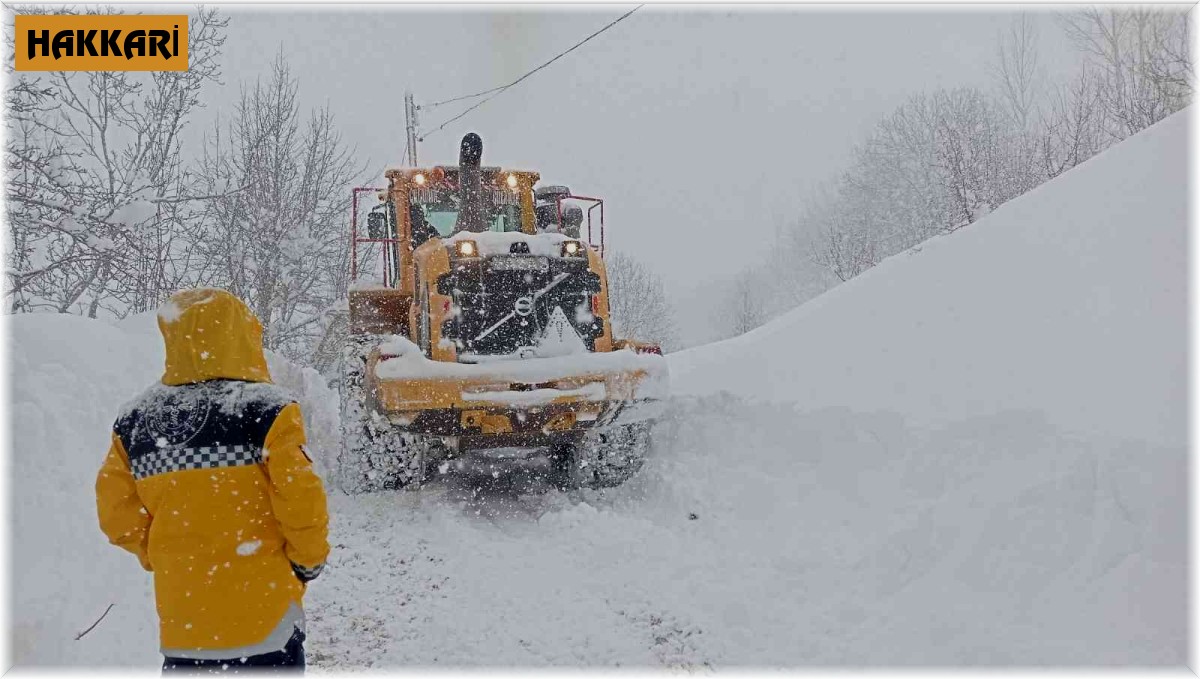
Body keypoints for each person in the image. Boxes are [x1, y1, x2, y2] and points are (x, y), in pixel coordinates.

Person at [96, 288, 330, 673]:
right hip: (265, 622)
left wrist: (166, 556)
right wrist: (306, 563)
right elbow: (301, 500)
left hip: (185, 629)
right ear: (241, 335)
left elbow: (116, 515)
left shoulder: (134, 422)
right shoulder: (269, 411)